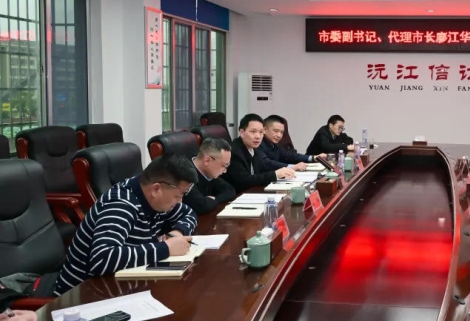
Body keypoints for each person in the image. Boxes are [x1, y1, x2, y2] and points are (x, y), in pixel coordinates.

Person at [54, 155, 199, 296]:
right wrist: (166, 248)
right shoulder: (121, 205)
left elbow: (189, 214)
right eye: (178, 196)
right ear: (156, 189)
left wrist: (178, 232)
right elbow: (102, 259)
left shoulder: (155, 199)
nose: (179, 202)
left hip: (122, 285)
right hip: (83, 295)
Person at [223, 113, 295, 193]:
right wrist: (275, 174)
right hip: (237, 195)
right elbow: (244, 181)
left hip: (252, 192)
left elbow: (264, 168)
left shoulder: (255, 150)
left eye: (261, 132)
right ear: (242, 132)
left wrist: (283, 173)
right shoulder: (234, 152)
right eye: (253, 132)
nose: (258, 136)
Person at [183, 137, 236, 215]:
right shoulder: (184, 174)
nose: (225, 171)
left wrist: (215, 199)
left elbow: (230, 190)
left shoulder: (209, 172)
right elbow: (202, 206)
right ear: (207, 161)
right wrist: (211, 201)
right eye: (224, 165)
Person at [259, 115, 326, 172]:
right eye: (276, 131)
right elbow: (268, 163)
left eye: (282, 132)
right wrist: (292, 167)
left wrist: (313, 157)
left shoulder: (275, 145)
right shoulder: (259, 144)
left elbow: (290, 156)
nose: (279, 135)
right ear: (264, 130)